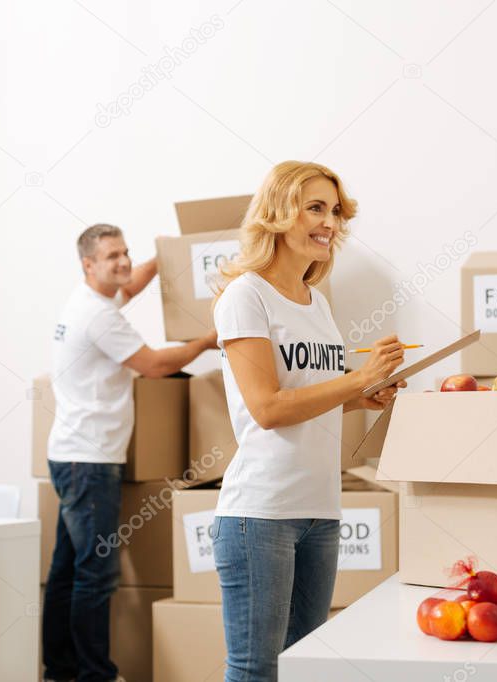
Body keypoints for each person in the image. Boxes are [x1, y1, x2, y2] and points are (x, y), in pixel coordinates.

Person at [212, 161, 406, 682]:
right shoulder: (245, 296)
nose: (331, 224)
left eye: (336, 212)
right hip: (261, 515)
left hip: (320, 510)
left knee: (304, 667)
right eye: (316, 208)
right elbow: (269, 408)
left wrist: (361, 395)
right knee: (255, 669)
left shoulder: (316, 301)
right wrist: (356, 378)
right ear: (278, 214)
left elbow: (304, 394)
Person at [42, 224, 217, 682]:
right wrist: (207, 340)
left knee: (67, 571)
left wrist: (170, 254)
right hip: (90, 462)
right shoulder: (99, 318)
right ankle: (95, 675)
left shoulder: (92, 300)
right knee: (96, 574)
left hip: (74, 455)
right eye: (111, 256)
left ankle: (60, 669)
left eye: (125, 253)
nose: (122, 263)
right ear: (88, 264)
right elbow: (155, 366)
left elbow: (132, 283)